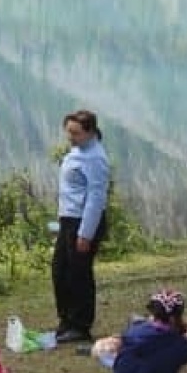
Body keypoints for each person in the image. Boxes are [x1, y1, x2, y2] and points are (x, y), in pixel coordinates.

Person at [53, 109, 109, 344]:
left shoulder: (95, 158)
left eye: (75, 133)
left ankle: (81, 324)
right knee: (60, 270)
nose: (70, 137)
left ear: (89, 132)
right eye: (69, 132)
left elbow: (96, 197)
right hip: (68, 218)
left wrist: (85, 233)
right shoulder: (78, 151)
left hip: (83, 220)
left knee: (79, 274)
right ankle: (66, 319)